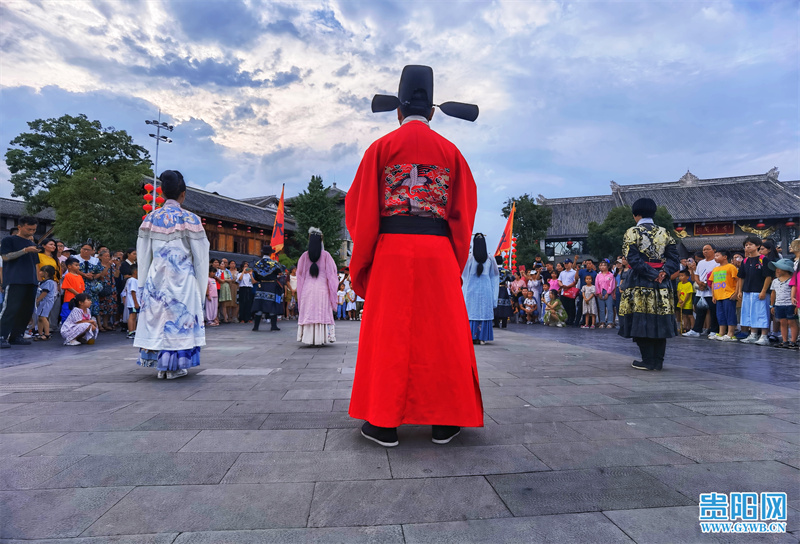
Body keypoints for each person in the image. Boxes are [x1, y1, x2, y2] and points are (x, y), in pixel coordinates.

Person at [346, 65, 483, 447]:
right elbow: (462, 213)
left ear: (398, 110)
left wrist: (367, 261)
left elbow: (361, 211)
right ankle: (445, 421)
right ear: (434, 112)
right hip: (438, 252)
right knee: (440, 334)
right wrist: (451, 261)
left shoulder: (381, 150)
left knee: (390, 334)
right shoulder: (451, 153)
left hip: (391, 252)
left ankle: (383, 423)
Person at [134, 170, 210, 380]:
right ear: (183, 194)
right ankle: (175, 366)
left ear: (161, 192)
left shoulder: (150, 219)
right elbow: (201, 258)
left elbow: (143, 256)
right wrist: (200, 288)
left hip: (156, 278)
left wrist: (142, 285)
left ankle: (162, 365)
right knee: (179, 321)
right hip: (183, 279)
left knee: (158, 320)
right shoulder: (191, 219)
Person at [618, 198, 680, 371]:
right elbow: (674, 258)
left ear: (636, 214)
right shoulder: (665, 232)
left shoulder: (632, 232)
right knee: (661, 319)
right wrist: (663, 273)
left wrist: (652, 275)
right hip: (662, 282)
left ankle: (647, 360)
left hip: (640, 281)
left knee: (640, 318)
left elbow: (632, 259)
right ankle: (658, 361)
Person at [0, 216, 40, 349]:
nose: (32, 232)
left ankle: (17, 335)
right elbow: (5, 257)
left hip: (31, 280)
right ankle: (1, 336)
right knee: (10, 308)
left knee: (26, 310)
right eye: (29, 229)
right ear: (20, 227)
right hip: (15, 279)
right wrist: (24, 250)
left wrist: (37, 280)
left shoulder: (32, 243)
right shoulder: (9, 240)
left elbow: (35, 264)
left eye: (34, 229)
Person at [296, 227, 338, 345]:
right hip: (322, 289)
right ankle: (322, 337)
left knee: (309, 311)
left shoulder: (304, 256)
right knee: (321, 311)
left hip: (307, 288)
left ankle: (307, 338)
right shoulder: (326, 256)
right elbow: (332, 276)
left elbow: (300, 276)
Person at [462, 233, 499, 344]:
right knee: (478, 311)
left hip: (473, 290)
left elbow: (464, 276)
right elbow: (495, 277)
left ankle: (476, 336)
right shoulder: (487, 259)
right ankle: (480, 337)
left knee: (475, 311)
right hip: (483, 289)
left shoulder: (485, 259)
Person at [737, 236, 773, 345]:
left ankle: (764, 336)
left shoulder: (763, 259)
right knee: (749, 313)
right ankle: (753, 334)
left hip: (759, 291)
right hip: (747, 290)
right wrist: (740, 291)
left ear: (757, 246)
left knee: (762, 313)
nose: (747, 247)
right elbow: (741, 277)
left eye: (750, 244)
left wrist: (763, 291)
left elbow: (768, 276)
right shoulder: (745, 261)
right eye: (746, 245)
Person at [684, 244, 719, 339]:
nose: (705, 251)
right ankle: (696, 330)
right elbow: (696, 275)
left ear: (714, 250)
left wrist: (706, 284)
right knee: (699, 311)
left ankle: (714, 330)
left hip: (711, 291)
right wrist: (700, 283)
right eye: (704, 250)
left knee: (713, 311)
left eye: (708, 249)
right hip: (700, 291)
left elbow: (717, 276)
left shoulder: (716, 263)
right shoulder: (701, 263)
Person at [250, 246, 284, 332]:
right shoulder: (274, 263)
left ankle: (256, 326)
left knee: (259, 305)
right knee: (272, 304)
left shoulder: (257, 263)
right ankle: (273, 326)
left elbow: (256, 277)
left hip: (261, 285)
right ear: (270, 253)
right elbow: (280, 272)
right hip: (271, 285)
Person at [710, 250, 738, 342]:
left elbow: (737, 280)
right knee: (720, 315)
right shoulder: (715, 269)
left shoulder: (731, 267)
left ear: (725, 257)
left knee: (730, 314)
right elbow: (713, 282)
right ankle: (721, 333)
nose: (715, 257)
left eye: (717, 255)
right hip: (718, 296)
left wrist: (736, 292)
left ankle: (731, 334)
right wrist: (713, 295)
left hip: (728, 294)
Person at [769, 259, 797, 349]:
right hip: (779, 304)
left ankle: (793, 341)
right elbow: (773, 294)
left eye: (779, 268)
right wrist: (772, 305)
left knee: (792, 322)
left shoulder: (792, 280)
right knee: (782, 322)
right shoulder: (775, 281)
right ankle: (785, 341)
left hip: (790, 304)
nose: (777, 270)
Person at [76, 243, 103, 317]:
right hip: (78, 283)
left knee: (92, 303)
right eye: (84, 249)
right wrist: (84, 275)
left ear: (92, 251)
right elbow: (72, 269)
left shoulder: (96, 260)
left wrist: (93, 277)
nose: (86, 251)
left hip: (92, 286)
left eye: (88, 250)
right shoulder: (75, 258)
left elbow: (100, 272)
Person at [97, 249, 119, 332]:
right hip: (102, 286)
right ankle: (100, 324)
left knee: (109, 307)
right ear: (101, 257)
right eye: (105, 256)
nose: (107, 258)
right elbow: (101, 275)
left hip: (111, 287)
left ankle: (106, 324)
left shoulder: (112, 266)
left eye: (108, 256)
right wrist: (107, 266)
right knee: (101, 306)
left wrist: (117, 266)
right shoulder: (99, 265)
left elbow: (116, 276)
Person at [34, 265, 57, 340]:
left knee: (43, 317)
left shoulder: (49, 282)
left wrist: (38, 300)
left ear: (46, 273)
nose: (39, 272)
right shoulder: (43, 282)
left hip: (46, 302)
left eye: (41, 271)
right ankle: (40, 333)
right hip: (42, 302)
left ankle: (47, 334)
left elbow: (45, 292)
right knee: (40, 317)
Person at [60, 257, 85, 322]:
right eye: (76, 265)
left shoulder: (79, 276)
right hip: (69, 299)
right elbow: (68, 287)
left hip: (78, 300)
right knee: (67, 314)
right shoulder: (68, 275)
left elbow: (82, 287)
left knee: (77, 315)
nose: (78, 267)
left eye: (78, 265)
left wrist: (81, 296)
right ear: (69, 266)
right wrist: (78, 294)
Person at [595, 260, 615, 328]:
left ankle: (610, 322)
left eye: (604, 265)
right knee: (601, 308)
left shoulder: (611, 275)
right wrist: (598, 293)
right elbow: (597, 284)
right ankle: (602, 322)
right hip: (600, 292)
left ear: (608, 267)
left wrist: (608, 293)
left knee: (609, 308)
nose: (602, 267)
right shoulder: (598, 275)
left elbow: (612, 285)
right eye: (601, 265)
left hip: (608, 292)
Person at [558, 259, 578, 326]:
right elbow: (559, 280)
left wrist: (568, 286)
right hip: (563, 291)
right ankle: (567, 318)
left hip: (571, 291)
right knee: (565, 306)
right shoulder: (562, 273)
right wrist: (562, 285)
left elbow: (575, 281)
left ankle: (571, 319)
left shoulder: (574, 272)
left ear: (571, 263)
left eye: (567, 263)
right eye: (565, 263)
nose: (566, 265)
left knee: (571, 306)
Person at [494, 264, 513, 329]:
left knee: (496, 306)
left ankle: (496, 323)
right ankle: (504, 324)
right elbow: (511, 279)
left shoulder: (494, 270)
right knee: (505, 306)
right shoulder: (505, 271)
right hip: (504, 289)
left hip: (496, 289)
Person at [123, 265, 140, 338]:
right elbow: (133, 292)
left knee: (134, 316)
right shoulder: (132, 280)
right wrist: (135, 303)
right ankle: (130, 331)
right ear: (135, 271)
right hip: (133, 302)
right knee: (132, 316)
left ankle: (134, 330)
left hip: (134, 302)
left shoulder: (134, 280)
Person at [676, 269, 695, 334]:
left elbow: (688, 294)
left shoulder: (689, 284)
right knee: (684, 315)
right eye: (679, 276)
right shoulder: (679, 284)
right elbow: (678, 292)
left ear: (687, 277)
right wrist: (679, 299)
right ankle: (685, 327)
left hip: (687, 303)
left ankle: (692, 327)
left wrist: (684, 302)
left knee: (689, 315)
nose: (680, 277)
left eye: (682, 276)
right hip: (681, 302)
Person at [216, 258, 234, 323]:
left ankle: (225, 318)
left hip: (225, 286)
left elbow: (230, 279)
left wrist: (225, 280)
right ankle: (217, 317)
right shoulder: (218, 271)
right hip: (220, 286)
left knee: (224, 304)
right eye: (222, 264)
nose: (223, 265)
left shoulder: (226, 271)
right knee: (217, 304)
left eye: (223, 264)